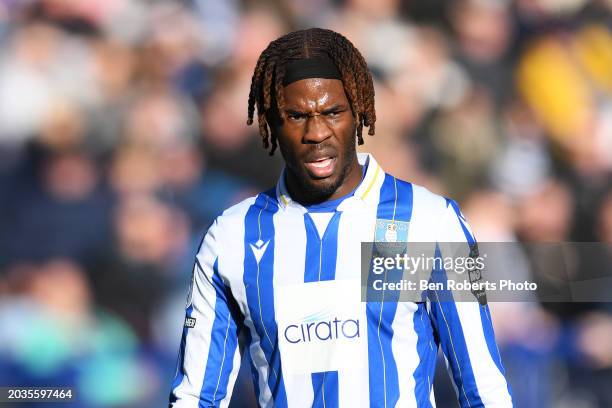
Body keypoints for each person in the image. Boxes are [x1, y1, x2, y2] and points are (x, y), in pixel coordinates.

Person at [169, 28, 513, 407]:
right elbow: (195, 397)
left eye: (332, 112)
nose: (316, 132)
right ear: (270, 123)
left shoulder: (429, 221)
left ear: (360, 110)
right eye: (296, 116)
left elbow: (483, 387)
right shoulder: (231, 237)